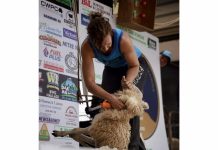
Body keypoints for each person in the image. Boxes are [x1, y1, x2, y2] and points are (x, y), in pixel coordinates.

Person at [81, 12, 147, 150]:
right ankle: (110, 142)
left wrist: (127, 82)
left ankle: (134, 147)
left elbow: (134, 66)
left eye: (108, 45)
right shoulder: (86, 47)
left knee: (130, 102)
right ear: (92, 41)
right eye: (101, 47)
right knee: (104, 102)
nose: (105, 49)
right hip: (112, 68)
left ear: (111, 34)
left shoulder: (123, 39)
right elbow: (90, 83)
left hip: (134, 65)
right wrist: (110, 98)